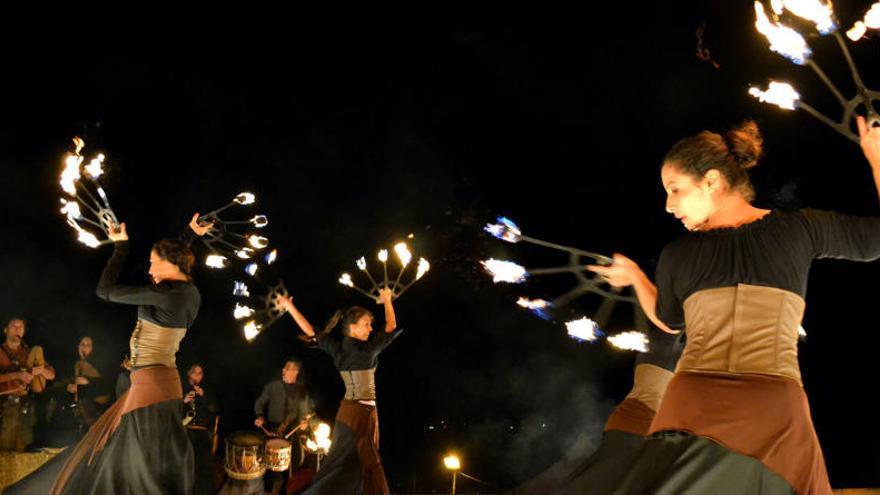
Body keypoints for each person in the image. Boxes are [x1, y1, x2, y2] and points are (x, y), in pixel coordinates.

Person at [588, 117, 880, 494]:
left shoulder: (677, 253)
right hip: (772, 409)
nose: (667, 205)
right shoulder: (799, 228)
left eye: (675, 189)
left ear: (711, 181)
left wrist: (636, 278)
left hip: (691, 405)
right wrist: (875, 157)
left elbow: (667, 320)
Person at [5, 213, 211, 494]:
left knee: (129, 465)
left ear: (169, 263)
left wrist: (120, 248)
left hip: (150, 388)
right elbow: (176, 261)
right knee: (135, 457)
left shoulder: (166, 295)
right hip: (160, 384)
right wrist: (189, 234)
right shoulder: (187, 292)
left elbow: (105, 291)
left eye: (153, 263)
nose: (150, 269)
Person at [279, 287, 399, 495]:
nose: (370, 328)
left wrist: (290, 306)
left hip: (347, 414)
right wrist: (388, 300)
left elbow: (310, 331)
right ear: (352, 328)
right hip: (362, 414)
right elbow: (391, 326)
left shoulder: (338, 349)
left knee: (340, 464)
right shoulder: (367, 352)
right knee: (367, 463)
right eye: (366, 324)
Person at [253, 357, 313, 495]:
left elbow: (305, 413)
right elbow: (259, 403)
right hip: (272, 429)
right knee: (269, 466)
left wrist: (304, 423)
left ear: (296, 372)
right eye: (284, 367)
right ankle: (267, 490)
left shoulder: (302, 391)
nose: (283, 370)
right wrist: (259, 416)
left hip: (291, 431)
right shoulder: (272, 387)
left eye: (288, 368)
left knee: (294, 463)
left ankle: (288, 490)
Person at [0, 317, 56, 452]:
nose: (18, 329)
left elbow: (52, 375)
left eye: (21, 327)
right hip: (3, 407)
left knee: (22, 447)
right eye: (14, 326)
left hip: (24, 407)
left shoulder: (28, 353)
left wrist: (41, 370)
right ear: (6, 330)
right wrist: (16, 375)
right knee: (5, 449)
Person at [183, 363, 219, 495]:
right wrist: (183, 401)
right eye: (194, 373)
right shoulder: (181, 388)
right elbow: (171, 410)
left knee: (204, 462)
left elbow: (214, 410)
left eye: (200, 373)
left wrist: (204, 396)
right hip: (185, 430)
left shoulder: (206, 390)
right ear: (188, 373)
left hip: (202, 431)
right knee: (187, 461)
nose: (197, 376)